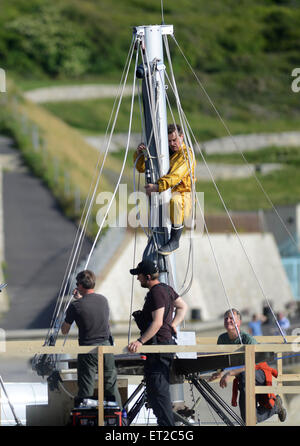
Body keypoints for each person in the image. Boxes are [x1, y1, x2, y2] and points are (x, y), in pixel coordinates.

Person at [127, 259, 188, 426]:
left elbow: (157, 322)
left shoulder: (156, 292)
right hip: (162, 345)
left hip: (159, 347)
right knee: (155, 394)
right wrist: (173, 325)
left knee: (159, 393)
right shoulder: (166, 289)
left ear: (147, 277)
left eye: (138, 276)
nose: (137, 279)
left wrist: (140, 341)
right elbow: (182, 306)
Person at [209, 308, 287, 424]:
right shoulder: (222, 339)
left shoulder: (247, 339)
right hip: (243, 377)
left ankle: (274, 406)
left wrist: (229, 373)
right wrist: (220, 372)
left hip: (260, 373)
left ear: (239, 322)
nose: (228, 320)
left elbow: (253, 364)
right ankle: (276, 407)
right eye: (226, 318)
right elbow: (224, 361)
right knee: (249, 419)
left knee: (245, 374)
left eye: (231, 318)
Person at [61, 270, 122, 408]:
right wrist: (80, 299)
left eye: (77, 284)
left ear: (81, 285)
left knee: (86, 387)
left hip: (88, 349)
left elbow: (64, 331)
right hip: (106, 347)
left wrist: (73, 307)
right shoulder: (103, 300)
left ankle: (86, 417)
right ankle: (120, 417)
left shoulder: (75, 306)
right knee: (111, 385)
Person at [134, 123, 196, 255]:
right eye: (169, 141)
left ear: (182, 137)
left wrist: (157, 187)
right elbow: (141, 168)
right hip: (162, 195)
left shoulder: (186, 155)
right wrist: (140, 154)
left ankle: (175, 239)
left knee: (176, 201)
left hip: (183, 195)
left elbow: (176, 176)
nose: (172, 143)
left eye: (174, 140)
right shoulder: (164, 153)